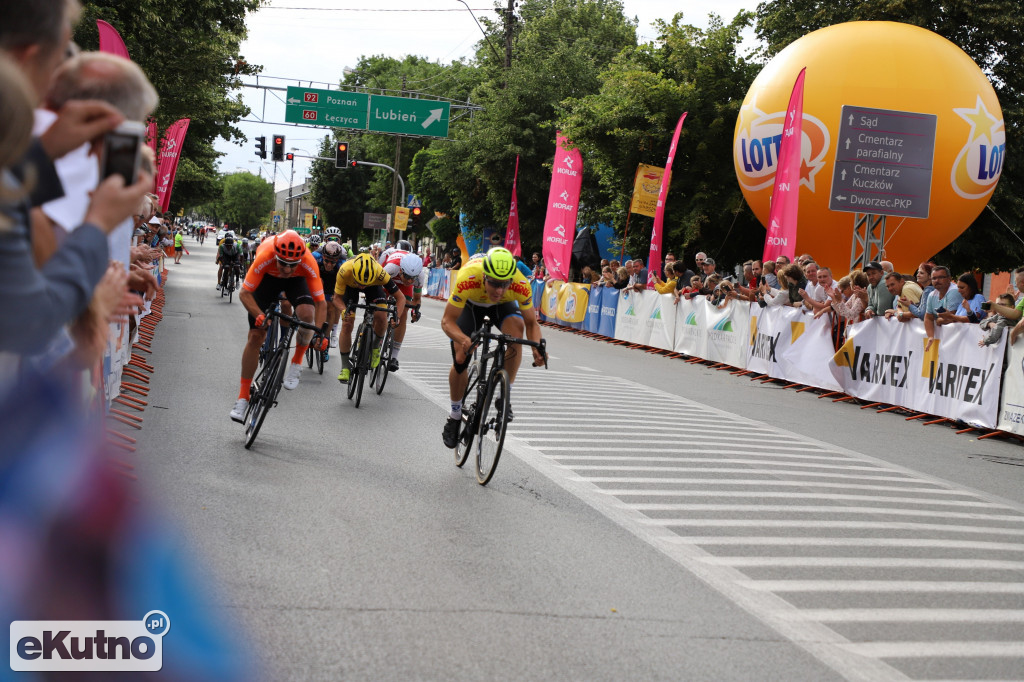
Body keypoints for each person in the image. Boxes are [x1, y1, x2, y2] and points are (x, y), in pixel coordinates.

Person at [440, 247, 544, 449]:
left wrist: (537, 348)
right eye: (495, 283)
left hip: (501, 307)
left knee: (517, 330)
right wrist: (462, 338)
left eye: (505, 284)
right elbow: (447, 322)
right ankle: (454, 416)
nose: (499, 290)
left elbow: (532, 323)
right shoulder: (468, 277)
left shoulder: (520, 283)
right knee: (461, 357)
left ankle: (503, 396)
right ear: (484, 276)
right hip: (471, 305)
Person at [230, 231, 328, 422]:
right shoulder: (265, 255)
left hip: (297, 283)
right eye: (283, 263)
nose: (287, 269)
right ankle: (242, 397)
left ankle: (297, 361)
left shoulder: (307, 261)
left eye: (293, 264)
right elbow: (244, 293)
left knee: (307, 315)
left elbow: (321, 303)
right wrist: (259, 315)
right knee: (256, 337)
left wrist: (320, 333)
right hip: (267, 280)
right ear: (276, 256)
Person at [333, 252, 406, 384]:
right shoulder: (345, 270)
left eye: (364, 284)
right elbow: (337, 298)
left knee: (381, 316)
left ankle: (375, 347)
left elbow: (401, 298)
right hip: (350, 288)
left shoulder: (380, 273)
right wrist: (343, 311)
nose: (362, 286)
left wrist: (397, 317)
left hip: (374, 287)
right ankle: (345, 367)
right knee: (347, 323)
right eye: (359, 283)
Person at [380, 250, 425, 371]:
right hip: (390, 280)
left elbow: (416, 299)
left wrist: (414, 312)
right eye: (407, 277)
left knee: (403, 313)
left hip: (403, 288)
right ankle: (375, 340)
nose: (410, 281)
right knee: (380, 308)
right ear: (401, 270)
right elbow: (377, 287)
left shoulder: (420, 275)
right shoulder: (392, 267)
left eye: (413, 278)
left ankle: (394, 356)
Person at [312, 240, 345, 353]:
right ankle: (315, 330)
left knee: (331, 307)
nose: (329, 264)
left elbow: (342, 285)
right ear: (323, 256)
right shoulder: (316, 256)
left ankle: (326, 338)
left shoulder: (342, 263)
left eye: (332, 262)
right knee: (318, 302)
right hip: (318, 276)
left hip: (334, 280)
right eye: (327, 261)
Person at [923, 265, 964, 350]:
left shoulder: (954, 292)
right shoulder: (932, 294)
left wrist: (939, 320)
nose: (937, 281)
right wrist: (930, 336)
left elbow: (952, 318)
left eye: (941, 277)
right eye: (934, 278)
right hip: (947, 341)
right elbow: (928, 318)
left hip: (960, 340)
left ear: (949, 279)